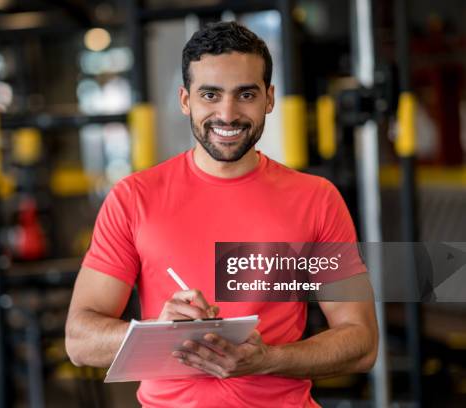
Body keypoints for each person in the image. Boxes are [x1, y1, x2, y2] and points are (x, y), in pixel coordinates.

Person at [66, 21, 378, 407]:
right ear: (185, 100)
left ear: (269, 98)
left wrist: (268, 361)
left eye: (245, 94)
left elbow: (361, 342)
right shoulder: (134, 198)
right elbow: (80, 341)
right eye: (210, 95)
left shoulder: (316, 198)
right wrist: (158, 332)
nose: (227, 114)